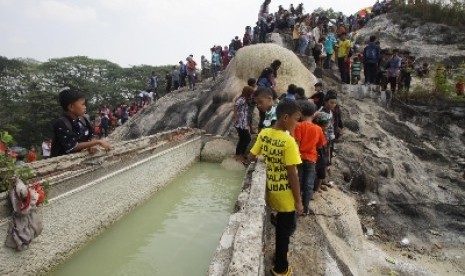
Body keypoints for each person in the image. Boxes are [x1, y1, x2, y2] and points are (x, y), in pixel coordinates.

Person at [248, 99, 303, 276]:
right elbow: (292, 174)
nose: (298, 123)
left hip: (271, 190)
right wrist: (299, 202)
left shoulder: (264, 133)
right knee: (283, 233)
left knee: (280, 228)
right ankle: (280, 269)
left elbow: (252, 156)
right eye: (296, 119)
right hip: (286, 196)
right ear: (285, 117)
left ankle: (279, 257)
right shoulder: (289, 142)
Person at [51, 89, 111, 157]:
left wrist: (92, 144)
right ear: (71, 107)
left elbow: (92, 134)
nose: (85, 107)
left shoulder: (83, 119)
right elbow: (72, 147)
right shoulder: (61, 123)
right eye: (82, 104)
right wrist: (97, 142)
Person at [294, 101, 326, 215]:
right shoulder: (318, 129)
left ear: (301, 114)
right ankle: (305, 208)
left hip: (299, 158)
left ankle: (296, 207)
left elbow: (296, 142)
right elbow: (321, 144)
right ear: (313, 115)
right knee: (308, 184)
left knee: (298, 182)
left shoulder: (298, 126)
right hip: (311, 159)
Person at [233, 86, 254, 163]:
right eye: (251, 93)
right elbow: (235, 105)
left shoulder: (246, 99)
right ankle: (239, 154)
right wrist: (235, 115)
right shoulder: (242, 99)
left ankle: (239, 154)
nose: (252, 94)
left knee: (242, 139)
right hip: (240, 122)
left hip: (243, 122)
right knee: (247, 139)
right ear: (248, 92)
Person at [313, 113, 330, 196]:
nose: (325, 127)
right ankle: (313, 190)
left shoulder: (326, 134)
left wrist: (328, 159)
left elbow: (328, 146)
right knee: (314, 174)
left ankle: (317, 189)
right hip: (316, 156)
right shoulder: (315, 132)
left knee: (321, 174)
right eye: (324, 125)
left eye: (326, 125)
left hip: (323, 156)